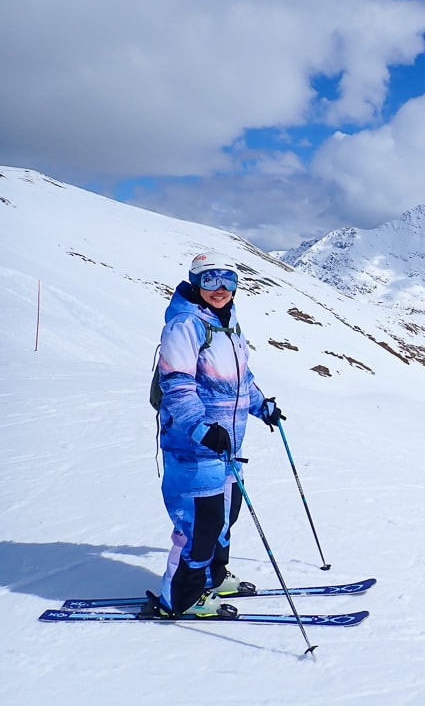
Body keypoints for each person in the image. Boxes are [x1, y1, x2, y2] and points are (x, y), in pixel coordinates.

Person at [146, 250, 285, 618]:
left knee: (225, 515)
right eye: (210, 279)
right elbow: (176, 385)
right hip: (193, 447)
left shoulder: (228, 325)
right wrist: (200, 428)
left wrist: (261, 407)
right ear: (195, 282)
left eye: (228, 280)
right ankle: (179, 599)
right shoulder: (185, 326)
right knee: (199, 526)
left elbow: (240, 382)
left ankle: (212, 576)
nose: (220, 288)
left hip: (226, 447)